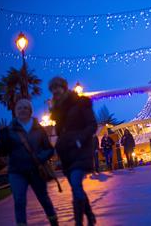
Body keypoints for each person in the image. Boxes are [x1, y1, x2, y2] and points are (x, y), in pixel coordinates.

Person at [0, 99, 58, 226]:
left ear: (30, 111)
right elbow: (4, 152)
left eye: (25, 107)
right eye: (19, 108)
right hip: (17, 171)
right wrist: (2, 135)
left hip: (36, 170)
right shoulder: (9, 130)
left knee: (44, 199)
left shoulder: (39, 129)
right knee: (19, 201)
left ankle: (54, 222)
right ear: (15, 111)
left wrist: (39, 158)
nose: (22, 110)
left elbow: (49, 149)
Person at [49, 76, 97, 226]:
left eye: (58, 87)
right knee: (76, 187)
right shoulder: (57, 110)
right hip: (66, 154)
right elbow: (60, 133)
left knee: (76, 183)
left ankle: (78, 222)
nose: (55, 91)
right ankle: (89, 215)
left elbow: (92, 125)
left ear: (64, 87)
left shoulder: (81, 103)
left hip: (80, 150)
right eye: (53, 89)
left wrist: (80, 139)